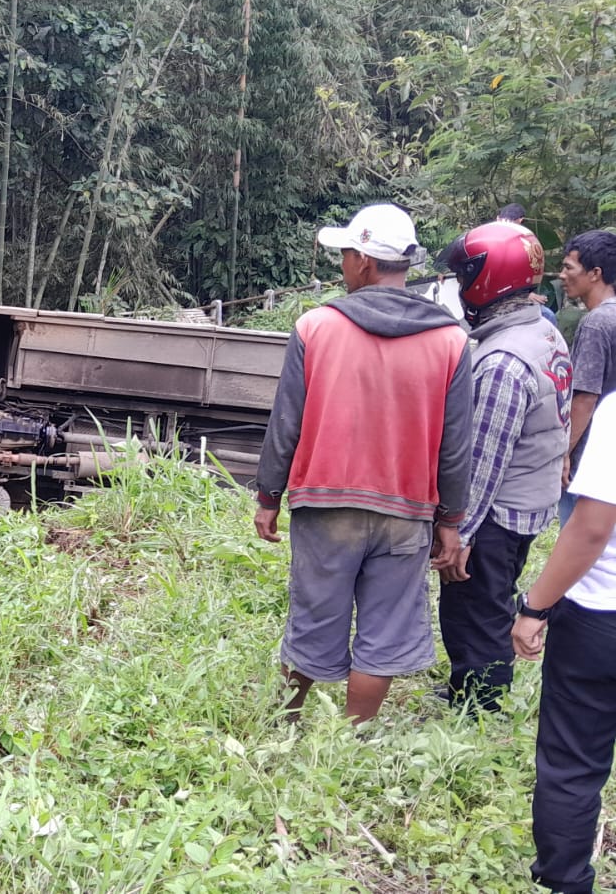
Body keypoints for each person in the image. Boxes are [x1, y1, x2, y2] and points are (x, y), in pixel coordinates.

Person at [254, 203, 473, 724]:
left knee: (313, 617)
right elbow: (456, 445)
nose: (344, 264)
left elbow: (286, 424)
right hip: (407, 511)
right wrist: (451, 522)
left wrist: (268, 496)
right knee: (385, 629)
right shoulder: (451, 341)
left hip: (326, 505)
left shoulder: (315, 328)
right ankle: (353, 742)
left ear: (367, 263)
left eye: (348, 254)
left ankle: (284, 724)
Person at [435, 221, 570, 712]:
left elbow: (484, 459)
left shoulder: (502, 361)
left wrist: (458, 533)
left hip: (497, 511)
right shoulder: (543, 331)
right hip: (531, 500)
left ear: (486, 279)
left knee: (475, 608)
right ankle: (466, 687)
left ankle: (480, 704)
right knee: (491, 599)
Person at [512, 395, 616, 894]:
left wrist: (535, 607)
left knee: (572, 765)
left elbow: (593, 526)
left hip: (601, 618)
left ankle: (566, 883)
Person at [559, 230, 616, 528]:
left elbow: (585, 398)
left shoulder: (596, 324)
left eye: (569, 267)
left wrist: (563, 454)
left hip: (590, 462)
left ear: (595, 273)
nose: (562, 274)